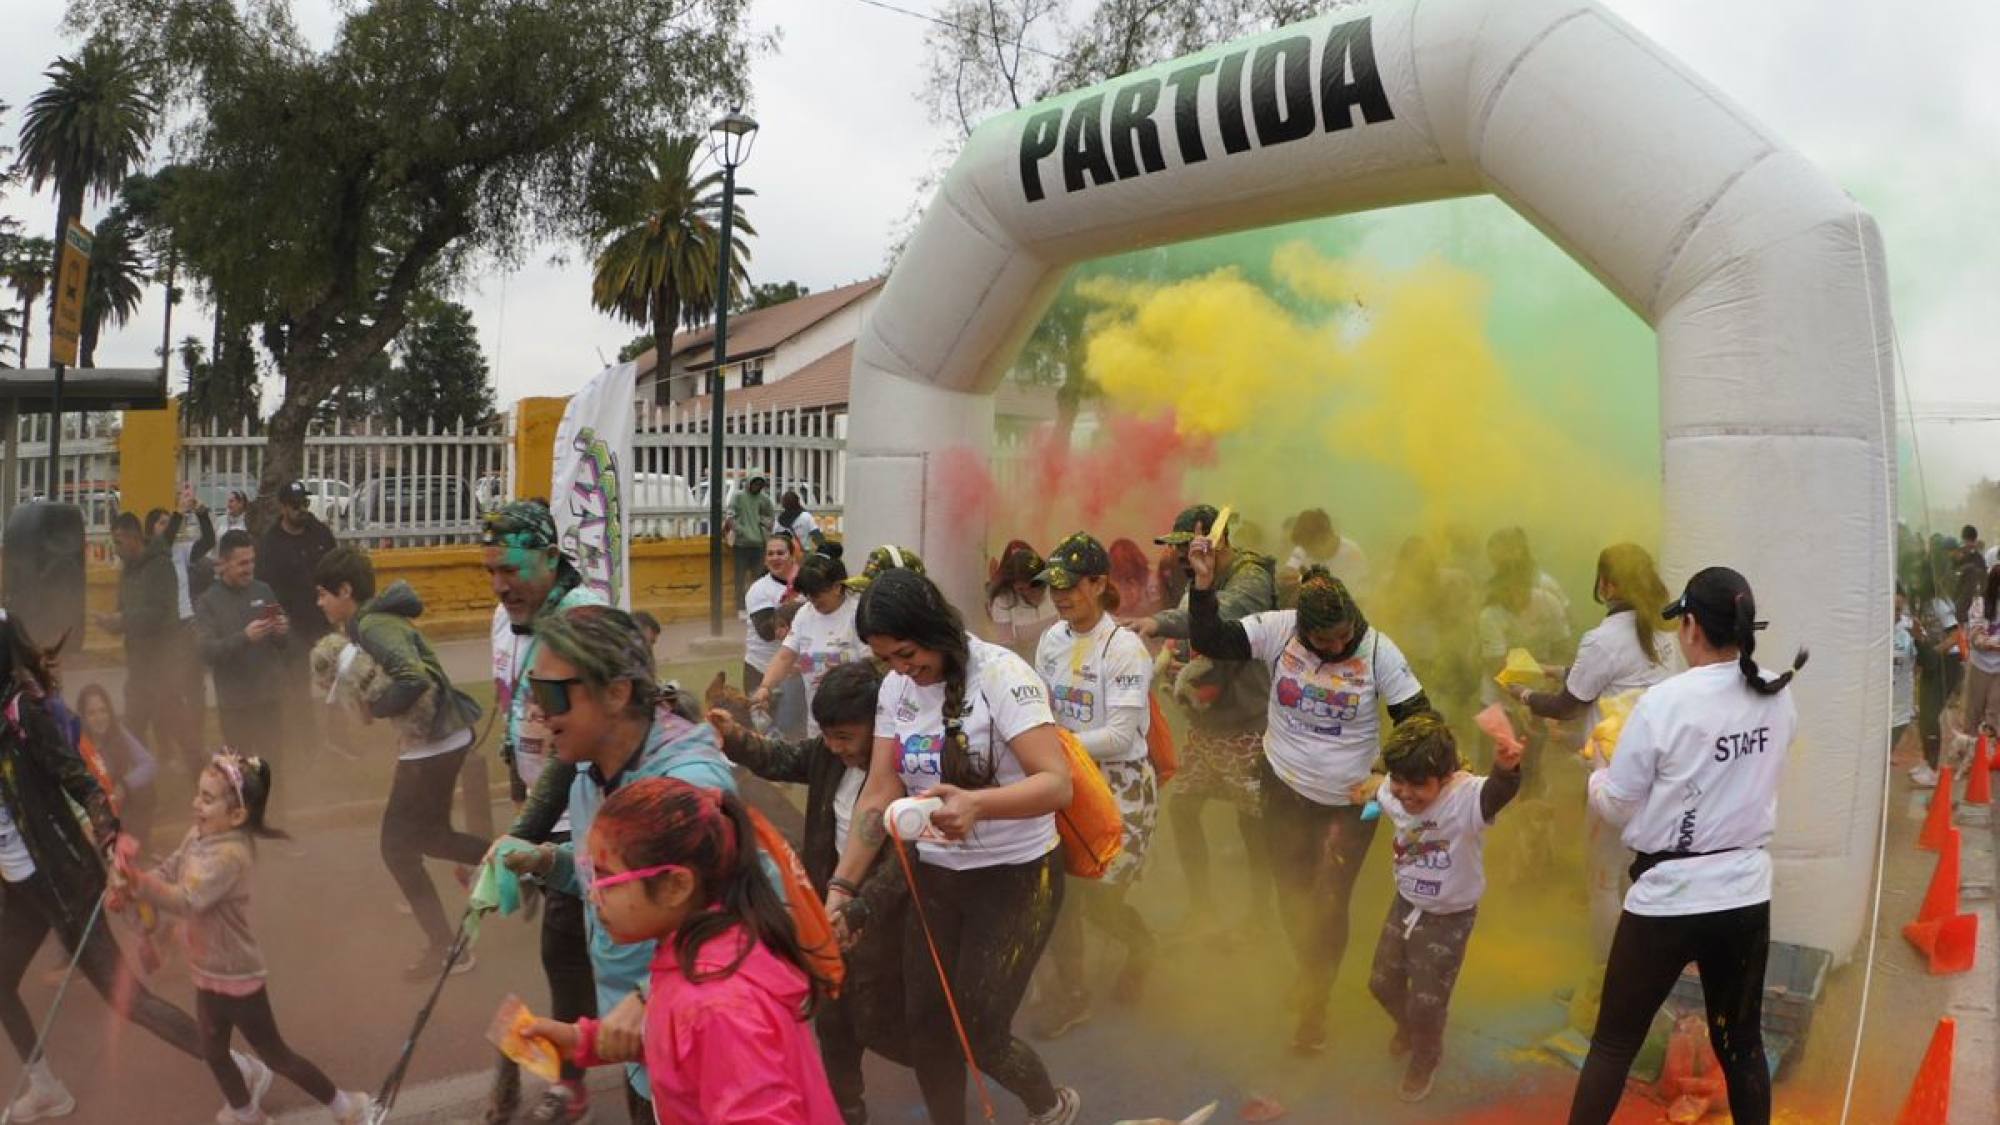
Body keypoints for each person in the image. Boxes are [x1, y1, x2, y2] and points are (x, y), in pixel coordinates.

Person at [830, 568, 1082, 1125]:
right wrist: (840, 888)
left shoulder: (1003, 675)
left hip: (1017, 876)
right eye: (887, 659)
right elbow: (877, 795)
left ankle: (1051, 1107)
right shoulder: (895, 689)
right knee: (927, 1025)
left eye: (907, 653)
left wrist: (978, 804)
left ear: (933, 628)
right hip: (936, 875)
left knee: (980, 1029)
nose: (901, 669)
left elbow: (1056, 783)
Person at [1567, 566, 1806, 1125]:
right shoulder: (1777, 695)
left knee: (1613, 1045)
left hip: (1666, 900)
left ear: (1692, 625)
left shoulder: (1662, 703)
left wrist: (1597, 771)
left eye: (1682, 624)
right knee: (1742, 1046)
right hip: (1743, 897)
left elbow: (1619, 803)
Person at [0, 612, 259, 1123]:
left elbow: (85, 784)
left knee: (130, 1002)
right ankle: (46, 1087)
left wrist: (111, 840)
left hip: (64, 883)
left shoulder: (24, 715)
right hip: (21, 884)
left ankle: (241, 1068)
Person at [492, 604, 740, 1123]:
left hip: (706, 1056)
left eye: (554, 695)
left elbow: (744, 918)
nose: (541, 714)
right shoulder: (592, 775)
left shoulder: (685, 786)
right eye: (533, 695)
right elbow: (616, 876)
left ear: (617, 692)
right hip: (645, 1052)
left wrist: (650, 998)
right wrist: (545, 861)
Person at [1186, 553, 1432, 1055]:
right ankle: (1308, 971)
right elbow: (1210, 640)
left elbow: (1419, 720)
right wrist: (1204, 585)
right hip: (1283, 789)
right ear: (1303, 630)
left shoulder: (1379, 650)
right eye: (1325, 641)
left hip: (1349, 804)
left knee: (1327, 900)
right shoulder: (1279, 631)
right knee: (1291, 894)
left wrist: (1386, 771)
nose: (1338, 646)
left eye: (1345, 636)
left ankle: (1315, 1002)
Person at [529, 777, 841, 1122]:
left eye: (605, 877)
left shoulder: (719, 1005)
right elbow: (689, 1047)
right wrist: (582, 1041)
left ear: (676, 885)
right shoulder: (702, 956)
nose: (593, 894)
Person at [115, 752, 373, 1125]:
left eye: (207, 798)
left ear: (236, 816)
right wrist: (132, 885)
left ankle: (346, 1106)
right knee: (214, 1052)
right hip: (206, 971)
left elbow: (186, 899)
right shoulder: (198, 835)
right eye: (197, 794)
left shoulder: (231, 855)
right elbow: (170, 870)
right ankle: (245, 1112)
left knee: (275, 1055)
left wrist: (141, 885)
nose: (195, 804)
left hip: (238, 978)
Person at [711, 662, 911, 1125]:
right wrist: (736, 738)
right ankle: (846, 1105)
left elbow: (908, 863)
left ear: (879, 726)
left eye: (845, 736)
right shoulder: (826, 755)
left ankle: (945, 1063)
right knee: (834, 1018)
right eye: (828, 736)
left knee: (881, 1020)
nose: (836, 747)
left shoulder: (908, 768)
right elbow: (781, 758)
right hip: (831, 911)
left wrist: (862, 910)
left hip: (884, 919)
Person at [480, 501, 606, 1124]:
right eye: (491, 573)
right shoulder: (511, 621)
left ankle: (582, 1074)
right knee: (568, 950)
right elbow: (518, 712)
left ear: (552, 558)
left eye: (511, 569)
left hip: (589, 807)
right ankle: (573, 1065)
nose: (501, 586)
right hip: (543, 805)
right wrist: (515, 785)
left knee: (579, 944)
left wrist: (519, 834)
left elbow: (572, 743)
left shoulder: (582, 623)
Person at [314, 547, 487, 980]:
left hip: (435, 743)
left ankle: (447, 945)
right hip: (436, 741)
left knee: (398, 847)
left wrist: (377, 709)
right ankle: (513, 863)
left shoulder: (373, 625)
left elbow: (413, 678)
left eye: (323, 594)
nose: (319, 604)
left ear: (345, 590)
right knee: (428, 837)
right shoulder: (368, 623)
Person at [1508, 544, 1679, 956]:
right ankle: (1639, 971)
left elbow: (1569, 704)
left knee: (1603, 882)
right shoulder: (1665, 629)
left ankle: (1606, 982)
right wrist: (1562, 672)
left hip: (1616, 778)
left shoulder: (1602, 639)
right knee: (1637, 878)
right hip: (1664, 771)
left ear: (1607, 584)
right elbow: (1623, 676)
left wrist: (1526, 694)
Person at [1027, 534, 1158, 1040]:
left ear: (1098, 584)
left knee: (1102, 902)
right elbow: (1040, 707)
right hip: (1065, 779)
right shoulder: (1052, 640)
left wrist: (1050, 750)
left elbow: (1122, 736)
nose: (1057, 596)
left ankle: (1143, 946)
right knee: (1064, 895)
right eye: (1051, 586)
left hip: (1118, 787)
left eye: (1067, 585)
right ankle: (1073, 995)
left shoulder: (1124, 648)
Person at [1127, 505, 1277, 939]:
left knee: (1255, 824)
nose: (1177, 557)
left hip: (1248, 723)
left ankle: (1262, 913)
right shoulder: (1199, 578)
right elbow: (1184, 633)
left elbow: (1212, 619)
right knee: (1184, 809)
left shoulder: (1251, 578)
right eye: (1177, 548)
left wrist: (1156, 621)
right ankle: (1203, 907)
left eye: (1184, 546)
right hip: (1209, 728)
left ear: (1219, 539)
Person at [1369, 714, 1521, 1102]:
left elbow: (1497, 793)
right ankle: (1410, 1029)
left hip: (1448, 918)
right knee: (1381, 984)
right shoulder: (1394, 788)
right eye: (1400, 780)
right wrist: (1372, 789)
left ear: (1446, 776)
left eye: (1419, 784)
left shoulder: (1465, 799)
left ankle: (1426, 1056)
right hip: (1405, 903)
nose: (1407, 793)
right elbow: (1382, 787)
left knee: (1427, 1004)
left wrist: (1506, 768)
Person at [99, 511, 203, 772]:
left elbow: (159, 613)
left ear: (134, 537)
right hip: (138, 666)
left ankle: (203, 777)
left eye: (119, 542)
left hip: (163, 666)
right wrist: (112, 622)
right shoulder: (128, 571)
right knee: (132, 729)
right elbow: (125, 612)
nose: (117, 549)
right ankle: (140, 792)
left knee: (181, 729)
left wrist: (122, 619)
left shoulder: (160, 565)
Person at [258, 480, 340, 764]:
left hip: (323, 623)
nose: (302, 509)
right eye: (295, 505)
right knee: (297, 691)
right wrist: (276, 625)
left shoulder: (320, 533)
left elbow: (336, 570)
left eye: (305, 503)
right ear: (282, 507)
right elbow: (265, 589)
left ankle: (338, 738)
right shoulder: (271, 544)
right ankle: (306, 745)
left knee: (335, 684)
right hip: (292, 628)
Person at [195, 531, 290, 769]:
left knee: (274, 765)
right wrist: (244, 638)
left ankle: (280, 807)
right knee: (244, 770)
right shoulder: (208, 602)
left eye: (252, 561)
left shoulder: (263, 590)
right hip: (236, 704)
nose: (250, 568)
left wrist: (281, 631)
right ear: (223, 564)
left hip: (268, 697)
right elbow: (206, 651)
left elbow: (282, 643)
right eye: (242, 563)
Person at [752, 550, 863, 737]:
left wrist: (846, 670)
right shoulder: (805, 614)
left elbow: (874, 662)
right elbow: (785, 656)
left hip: (854, 718)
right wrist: (765, 687)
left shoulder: (858, 613)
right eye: (808, 594)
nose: (812, 600)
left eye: (817, 594)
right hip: (817, 723)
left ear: (836, 587)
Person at [74, 682, 159, 845]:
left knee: (146, 790)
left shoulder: (118, 733)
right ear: (83, 717)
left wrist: (125, 784)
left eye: (103, 711)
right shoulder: (78, 743)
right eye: (91, 713)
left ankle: (139, 843)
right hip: (92, 809)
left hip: (118, 802)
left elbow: (149, 764)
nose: (99, 718)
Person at [746, 531, 808, 739]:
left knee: (794, 731)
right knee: (763, 732)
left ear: (792, 556)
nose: (775, 558)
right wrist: (794, 606)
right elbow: (766, 632)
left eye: (780, 553)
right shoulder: (759, 590)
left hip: (797, 672)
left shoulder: (807, 584)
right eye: (770, 554)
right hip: (761, 668)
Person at [1281, 508, 1370, 601]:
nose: (1307, 554)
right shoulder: (1301, 550)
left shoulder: (1352, 555)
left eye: (1310, 549)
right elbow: (1288, 574)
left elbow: (1359, 599)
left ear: (1325, 539)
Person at [986, 541, 1057, 655]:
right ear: (1011, 585)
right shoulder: (1002, 601)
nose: (1028, 593)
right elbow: (1006, 650)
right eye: (1021, 589)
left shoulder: (1056, 588)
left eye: (1034, 586)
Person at [724, 475, 778, 609]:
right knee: (740, 578)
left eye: (760, 484)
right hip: (741, 545)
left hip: (759, 545)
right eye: (755, 483)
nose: (757, 486)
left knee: (759, 578)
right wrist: (740, 529)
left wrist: (762, 523)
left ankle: (757, 605)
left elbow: (771, 518)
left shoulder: (764, 500)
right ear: (749, 482)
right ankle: (740, 606)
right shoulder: (738, 497)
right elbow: (730, 516)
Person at [1963, 564, 2000, 739]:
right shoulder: (1980, 604)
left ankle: (1990, 760)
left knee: (1995, 716)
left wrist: (1991, 643)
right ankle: (1967, 755)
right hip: (1979, 665)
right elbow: (1976, 639)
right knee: (1973, 713)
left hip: (1998, 669)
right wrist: (1991, 644)